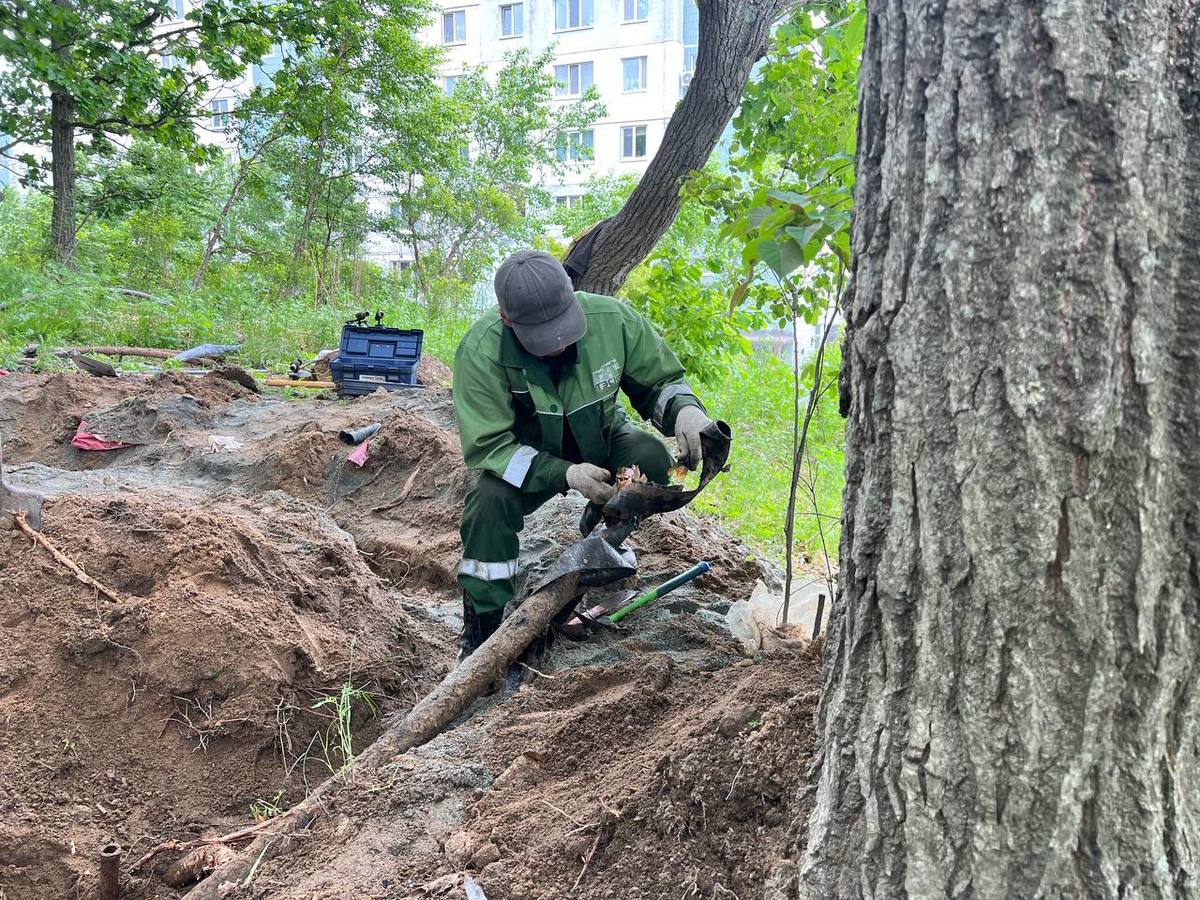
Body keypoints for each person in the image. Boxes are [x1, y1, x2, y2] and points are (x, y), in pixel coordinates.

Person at [452, 249, 714, 659]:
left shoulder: (615, 321)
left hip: (602, 438)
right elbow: (491, 447)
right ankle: (482, 631)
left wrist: (686, 410)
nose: (557, 344)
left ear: (573, 297)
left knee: (652, 457)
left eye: (563, 328)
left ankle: (607, 528)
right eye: (542, 336)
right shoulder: (481, 351)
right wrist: (565, 474)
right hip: (530, 456)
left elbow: (659, 381)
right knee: (488, 506)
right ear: (507, 318)